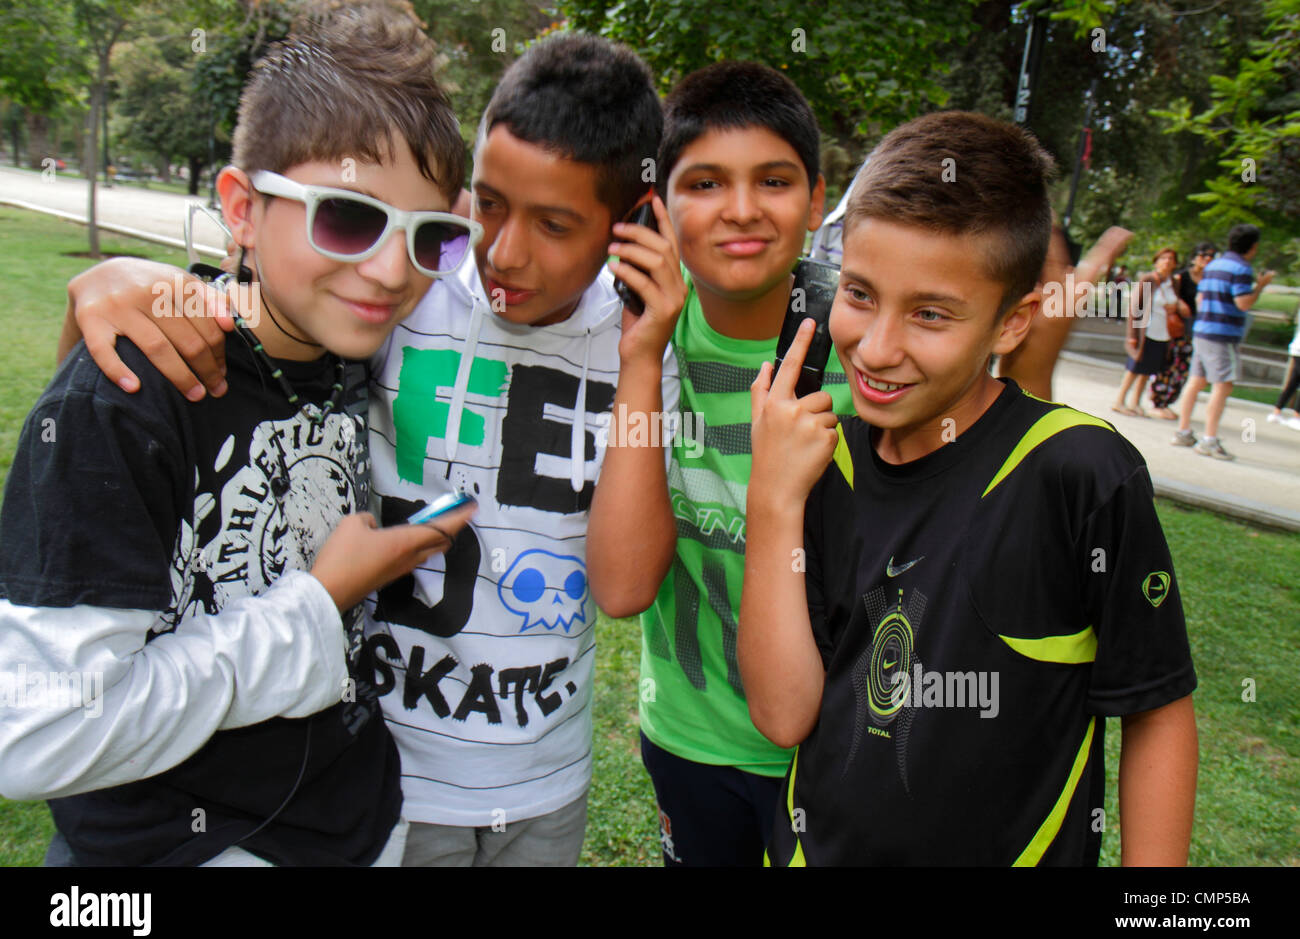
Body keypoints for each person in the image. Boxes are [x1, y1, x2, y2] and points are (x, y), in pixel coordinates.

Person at [56, 33, 684, 866]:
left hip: (540, 777)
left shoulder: (641, 347)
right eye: (487, 205)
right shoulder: (409, 284)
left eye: (555, 224)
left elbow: (627, 584)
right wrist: (116, 284)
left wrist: (642, 362)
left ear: (630, 222)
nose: (502, 251)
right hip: (385, 772)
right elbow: (255, 316)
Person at [0, 9, 476, 866]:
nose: (391, 269)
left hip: (355, 822)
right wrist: (315, 603)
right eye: (347, 218)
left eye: (429, 234)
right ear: (242, 208)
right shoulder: (130, 398)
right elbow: (39, 735)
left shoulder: (350, 342)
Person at [741, 111, 1198, 866]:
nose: (877, 347)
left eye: (929, 313)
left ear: (1012, 323)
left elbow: (1156, 707)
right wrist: (773, 500)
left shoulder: (1079, 473)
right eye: (858, 294)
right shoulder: (824, 459)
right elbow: (784, 714)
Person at [588, 62, 850, 867]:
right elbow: (625, 588)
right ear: (660, 207)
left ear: (815, 199)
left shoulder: (871, 351)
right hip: (693, 742)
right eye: (704, 183)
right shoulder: (623, 336)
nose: (741, 210)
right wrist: (644, 355)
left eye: (773, 180)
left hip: (845, 743)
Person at [1172, 224, 1277, 460]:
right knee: (1223, 385)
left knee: (1196, 381)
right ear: (1253, 246)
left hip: (1202, 329)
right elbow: (1243, 304)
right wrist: (1260, 287)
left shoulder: (1214, 265)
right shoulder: (1242, 269)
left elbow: (1200, 298)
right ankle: (1209, 440)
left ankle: (1183, 431)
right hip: (1222, 335)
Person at [1112, 247, 1187, 417]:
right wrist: (1132, 335)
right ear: (1156, 261)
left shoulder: (1174, 283)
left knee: (1147, 370)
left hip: (1163, 333)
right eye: (1163, 258)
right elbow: (1135, 308)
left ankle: (1135, 402)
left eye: (1170, 259)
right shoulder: (1148, 280)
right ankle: (1120, 400)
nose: (1166, 262)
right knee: (1134, 368)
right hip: (1145, 332)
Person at [1149, 241, 1216, 418]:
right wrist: (1179, 303)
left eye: (1211, 256)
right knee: (1170, 364)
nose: (1207, 259)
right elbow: (1172, 294)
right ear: (1195, 257)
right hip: (1179, 327)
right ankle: (1158, 401)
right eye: (1203, 255)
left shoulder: (1211, 278)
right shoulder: (1182, 277)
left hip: (1198, 329)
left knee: (1183, 368)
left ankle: (1168, 401)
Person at [1267, 303, 1300, 431]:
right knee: (1294, 382)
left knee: (1294, 382)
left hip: (1296, 349)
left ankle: (1277, 411)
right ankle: (1297, 416)